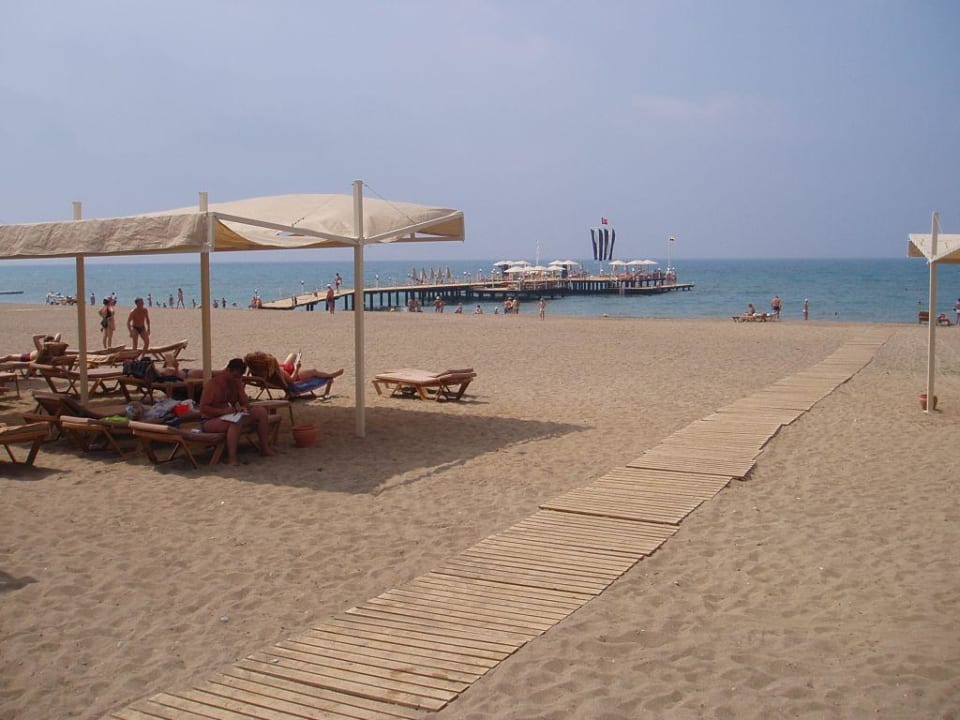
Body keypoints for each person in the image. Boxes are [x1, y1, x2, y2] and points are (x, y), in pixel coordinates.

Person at [199, 358, 277, 466]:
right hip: (210, 420)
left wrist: (240, 390)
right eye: (234, 376)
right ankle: (232, 458)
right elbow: (203, 408)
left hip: (230, 415)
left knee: (261, 412)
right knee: (235, 422)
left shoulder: (236, 383)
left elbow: (245, 403)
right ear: (228, 370)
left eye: (239, 377)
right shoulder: (213, 384)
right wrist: (223, 411)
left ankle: (265, 448)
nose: (236, 379)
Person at [278, 353, 344, 384]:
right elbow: (291, 380)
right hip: (292, 374)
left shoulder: (272, 368)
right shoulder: (279, 371)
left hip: (284, 368)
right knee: (313, 371)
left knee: (293, 355)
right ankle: (331, 375)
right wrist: (296, 368)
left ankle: (291, 363)